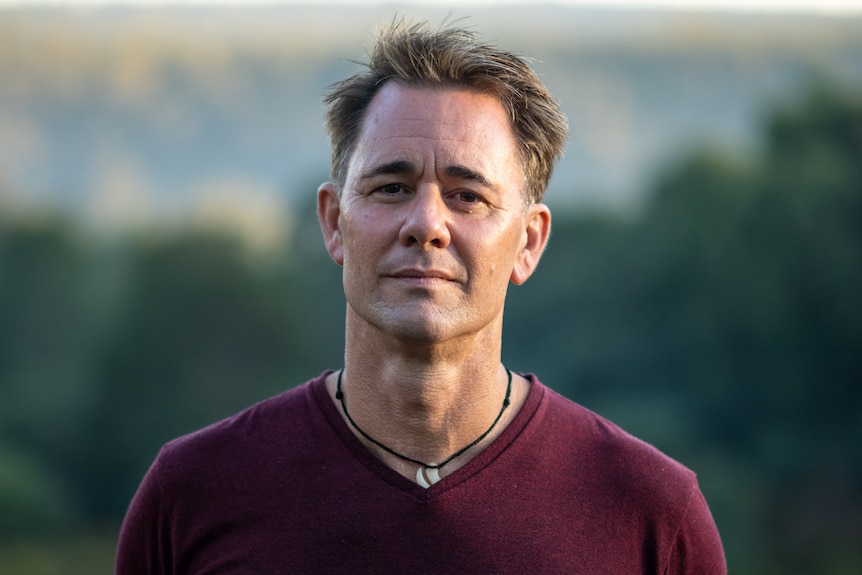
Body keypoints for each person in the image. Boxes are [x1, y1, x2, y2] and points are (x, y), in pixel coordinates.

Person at [116, 18, 726, 574]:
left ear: (528, 242)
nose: (426, 223)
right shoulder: (193, 493)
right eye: (391, 187)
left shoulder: (651, 513)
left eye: (468, 196)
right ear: (333, 222)